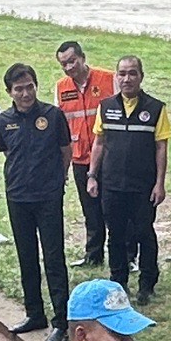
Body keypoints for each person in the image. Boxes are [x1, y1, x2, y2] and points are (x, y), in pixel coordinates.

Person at [0, 62, 74, 341]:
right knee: (26, 257)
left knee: (53, 259)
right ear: (9, 92)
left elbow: (66, 151)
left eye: (30, 87)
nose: (26, 93)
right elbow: (7, 151)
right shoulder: (3, 120)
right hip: (18, 196)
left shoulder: (53, 115)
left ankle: (61, 322)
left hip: (48, 197)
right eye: (19, 89)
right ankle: (34, 314)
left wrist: (57, 180)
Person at [92, 54, 170, 304]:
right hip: (112, 184)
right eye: (122, 74)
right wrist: (92, 175)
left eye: (132, 73)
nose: (127, 79)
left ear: (141, 76)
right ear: (116, 77)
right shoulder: (105, 106)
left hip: (142, 186)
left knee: (144, 233)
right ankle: (118, 281)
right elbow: (99, 143)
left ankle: (147, 284)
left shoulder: (156, 108)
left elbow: (161, 147)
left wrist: (159, 183)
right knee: (115, 234)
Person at [56, 40, 117, 266]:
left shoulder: (109, 79)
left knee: (115, 208)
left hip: (109, 156)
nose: (69, 67)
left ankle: (126, 255)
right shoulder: (61, 88)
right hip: (80, 157)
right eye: (64, 64)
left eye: (72, 61)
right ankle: (93, 254)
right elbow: (61, 126)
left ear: (83, 58)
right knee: (90, 210)